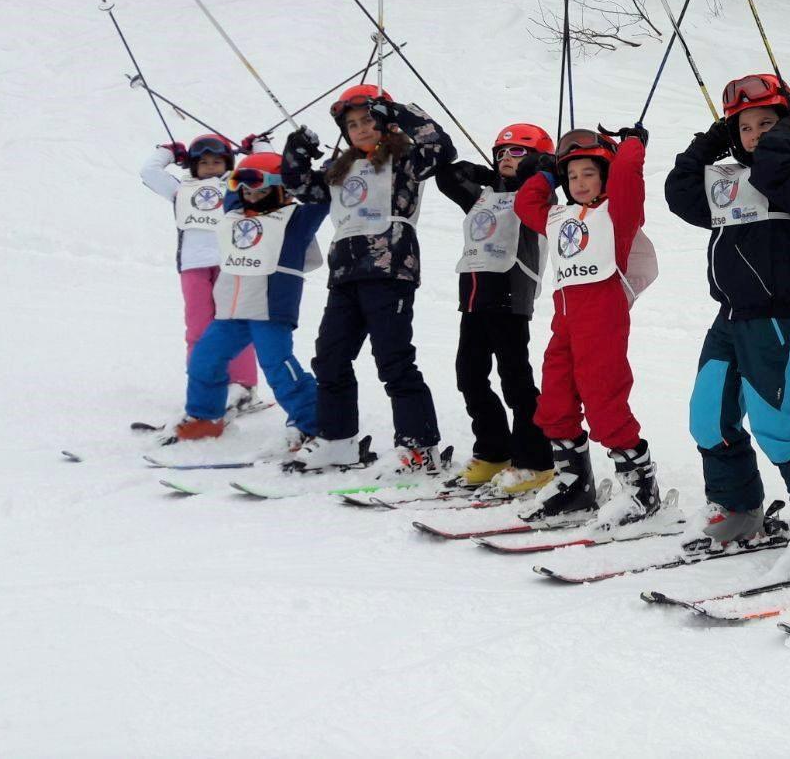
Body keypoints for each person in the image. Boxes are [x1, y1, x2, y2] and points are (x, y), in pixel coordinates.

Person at [663, 73, 790, 577]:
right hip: (728, 318)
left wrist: (785, 138)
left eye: (766, 123)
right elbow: (679, 193)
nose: (755, 136)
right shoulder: (726, 181)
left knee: (779, 426)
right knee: (709, 418)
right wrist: (710, 141)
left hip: (776, 319)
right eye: (744, 128)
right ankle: (738, 508)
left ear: (788, 125)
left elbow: (779, 175)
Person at [279, 85, 455, 474]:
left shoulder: (405, 160)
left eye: (368, 121)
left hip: (390, 269)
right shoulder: (338, 170)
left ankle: (419, 445)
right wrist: (297, 151)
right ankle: (337, 440)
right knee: (330, 358)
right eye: (353, 124)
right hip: (345, 273)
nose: (360, 129)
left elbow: (441, 148)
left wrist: (399, 111)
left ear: (386, 123)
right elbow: (299, 187)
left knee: (393, 358)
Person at [511, 125, 659, 528]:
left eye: (589, 173)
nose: (578, 182)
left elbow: (628, 179)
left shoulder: (618, 214)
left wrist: (631, 146)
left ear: (605, 175)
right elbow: (526, 204)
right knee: (554, 398)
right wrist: (546, 174)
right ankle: (574, 484)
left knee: (604, 399)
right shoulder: (557, 216)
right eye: (572, 175)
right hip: (565, 322)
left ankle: (641, 490)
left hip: (603, 320)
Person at [164, 152, 326, 451]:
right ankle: (205, 417)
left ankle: (311, 423)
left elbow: (321, 199)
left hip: (270, 308)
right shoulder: (233, 211)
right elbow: (227, 188)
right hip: (231, 309)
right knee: (204, 359)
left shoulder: (296, 221)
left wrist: (308, 168)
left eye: (260, 191)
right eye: (245, 190)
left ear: (281, 190)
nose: (251, 196)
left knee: (278, 366)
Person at [433, 123, 555, 495]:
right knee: (469, 375)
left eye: (517, 152)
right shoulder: (483, 196)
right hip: (474, 297)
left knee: (515, 381)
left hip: (510, 295)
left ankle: (535, 461)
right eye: (501, 152)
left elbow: (546, 179)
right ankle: (494, 452)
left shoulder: (537, 194)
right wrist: (484, 173)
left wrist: (535, 168)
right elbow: (447, 177)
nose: (506, 158)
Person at [141, 133, 259, 412]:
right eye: (203, 162)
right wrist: (168, 152)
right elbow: (149, 172)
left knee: (236, 325)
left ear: (228, 163)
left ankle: (243, 388)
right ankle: (203, 389)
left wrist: (258, 147)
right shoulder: (180, 190)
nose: (210, 167)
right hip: (193, 266)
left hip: (231, 264)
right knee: (198, 328)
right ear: (192, 165)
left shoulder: (237, 186)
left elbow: (268, 170)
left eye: (216, 161)